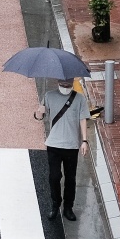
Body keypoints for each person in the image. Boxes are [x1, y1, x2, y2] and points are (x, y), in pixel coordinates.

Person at [37, 77, 87, 221]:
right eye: (63, 83)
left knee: (70, 178)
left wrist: (84, 140)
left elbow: (83, 119)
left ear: (72, 84)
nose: (66, 86)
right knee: (54, 177)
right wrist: (39, 111)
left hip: (72, 145)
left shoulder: (79, 99)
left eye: (68, 84)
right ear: (58, 82)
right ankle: (55, 204)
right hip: (53, 144)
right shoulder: (49, 96)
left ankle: (68, 208)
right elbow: (39, 117)